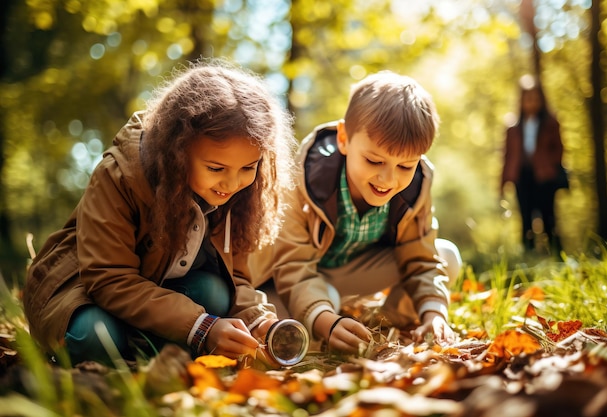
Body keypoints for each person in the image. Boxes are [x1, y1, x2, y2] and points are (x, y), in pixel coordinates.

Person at [22, 59, 297, 366]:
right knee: (95, 337)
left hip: (156, 295)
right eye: (216, 168)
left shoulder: (234, 195)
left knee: (216, 293)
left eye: (249, 167)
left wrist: (258, 321)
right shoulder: (119, 176)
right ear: (177, 151)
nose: (233, 183)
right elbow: (109, 279)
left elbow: (237, 280)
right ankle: (137, 356)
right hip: (81, 294)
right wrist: (202, 327)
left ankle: (151, 356)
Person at [248, 71, 462, 354]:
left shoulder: (417, 187)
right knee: (299, 319)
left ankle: (385, 320)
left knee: (446, 257)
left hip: (350, 273)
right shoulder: (305, 179)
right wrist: (324, 318)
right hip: (300, 274)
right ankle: (324, 312)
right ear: (344, 139)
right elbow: (294, 266)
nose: (387, 179)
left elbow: (421, 258)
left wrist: (434, 313)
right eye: (374, 160)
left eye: (405, 166)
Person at [501, 75, 565, 253]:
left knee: (548, 217)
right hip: (522, 177)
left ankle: (557, 256)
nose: (531, 102)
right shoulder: (513, 127)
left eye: (535, 98)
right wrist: (502, 183)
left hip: (544, 177)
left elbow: (559, 149)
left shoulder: (550, 123)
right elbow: (507, 156)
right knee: (525, 218)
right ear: (521, 100)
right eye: (527, 98)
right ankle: (528, 258)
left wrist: (551, 167)